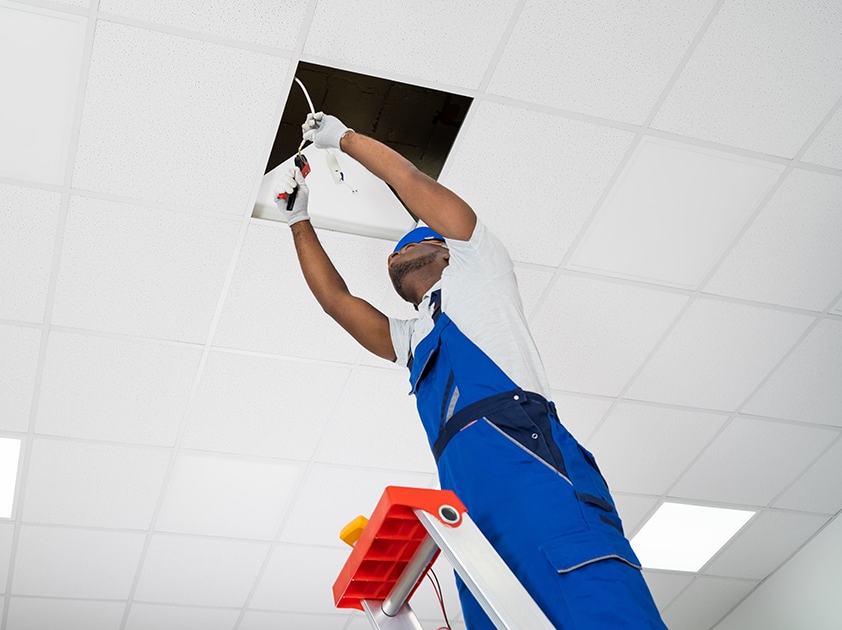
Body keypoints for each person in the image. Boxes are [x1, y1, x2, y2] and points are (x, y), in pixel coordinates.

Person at [277, 112, 667, 630]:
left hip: (536, 470)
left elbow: (410, 183)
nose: (400, 251)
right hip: (472, 513)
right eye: (394, 254)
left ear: (445, 248)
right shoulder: (409, 338)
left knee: (595, 602)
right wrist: (297, 219)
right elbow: (335, 300)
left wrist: (343, 140)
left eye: (415, 239)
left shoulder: (480, 267)